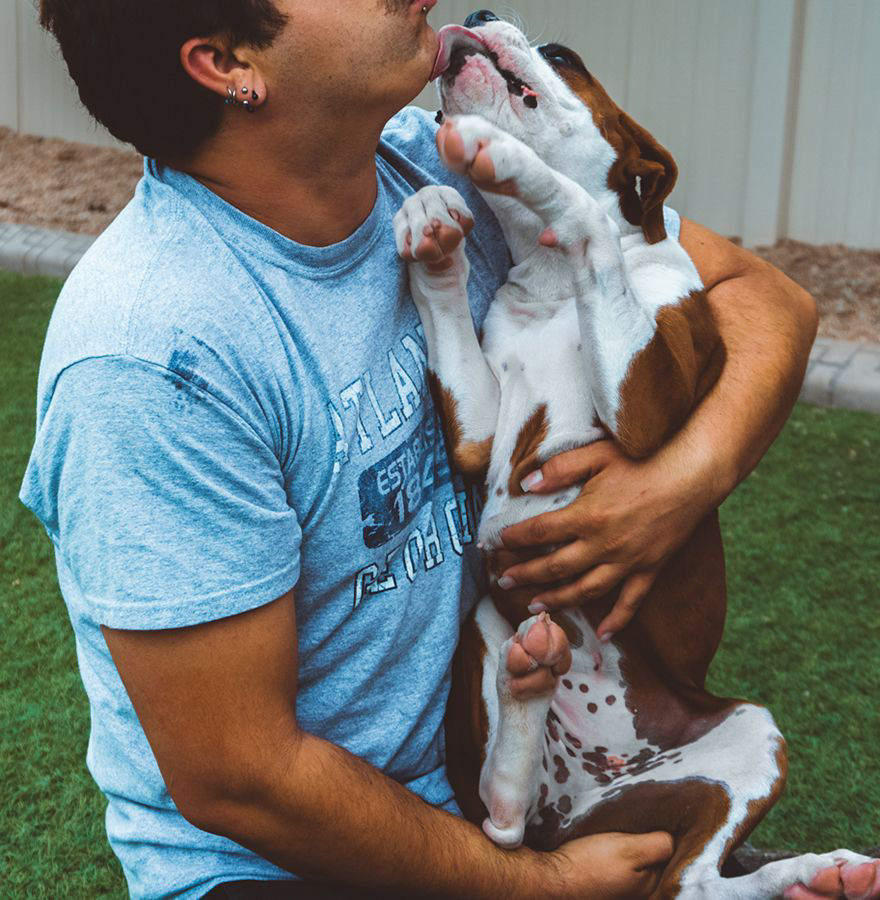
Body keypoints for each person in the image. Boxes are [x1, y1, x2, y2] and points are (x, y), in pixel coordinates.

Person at [20, 1, 817, 898]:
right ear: (228, 64)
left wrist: (673, 486)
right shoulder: (154, 355)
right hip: (291, 862)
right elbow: (242, 777)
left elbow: (764, 300)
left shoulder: (430, 150)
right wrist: (536, 887)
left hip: (495, 755)